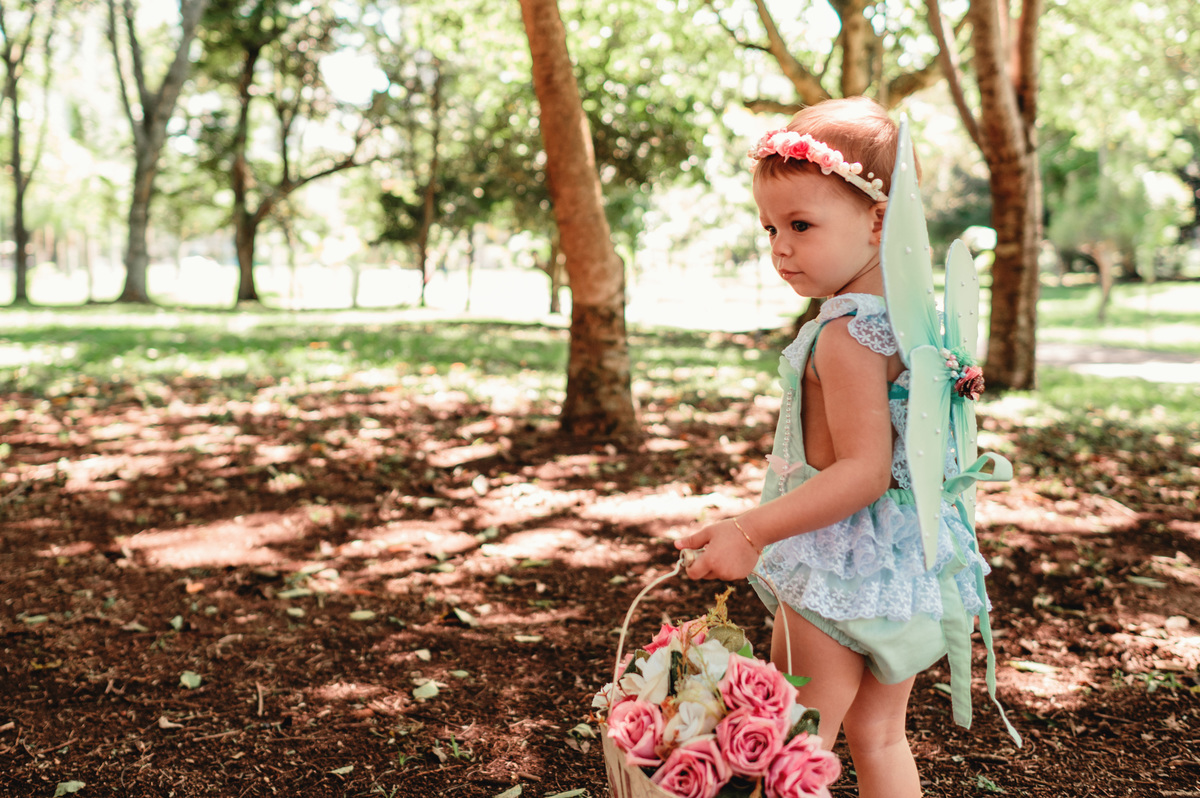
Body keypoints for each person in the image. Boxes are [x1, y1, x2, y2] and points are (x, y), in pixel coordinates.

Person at [674, 97, 1017, 798]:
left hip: (841, 565)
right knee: (880, 736)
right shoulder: (913, 324)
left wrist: (749, 530)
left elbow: (860, 472)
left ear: (879, 220)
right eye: (770, 227)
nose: (780, 247)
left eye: (801, 225)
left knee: (794, 746)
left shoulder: (847, 332)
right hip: (909, 562)